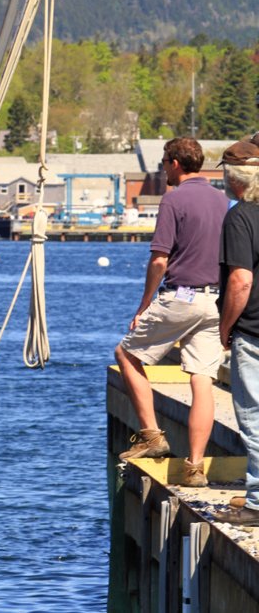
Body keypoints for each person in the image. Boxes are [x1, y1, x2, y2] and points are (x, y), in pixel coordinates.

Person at [114, 137, 228, 488]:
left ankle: (151, 435)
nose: (163, 168)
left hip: (183, 296)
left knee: (127, 354)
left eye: (164, 161)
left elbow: (160, 258)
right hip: (216, 302)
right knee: (202, 380)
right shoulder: (224, 200)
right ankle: (194, 468)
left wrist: (145, 303)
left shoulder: (174, 199)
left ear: (176, 163)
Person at [213, 140, 259, 524]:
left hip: (254, 332)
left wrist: (225, 327)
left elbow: (240, 281)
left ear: (234, 178)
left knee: (255, 419)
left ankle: (258, 503)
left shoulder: (240, 217)